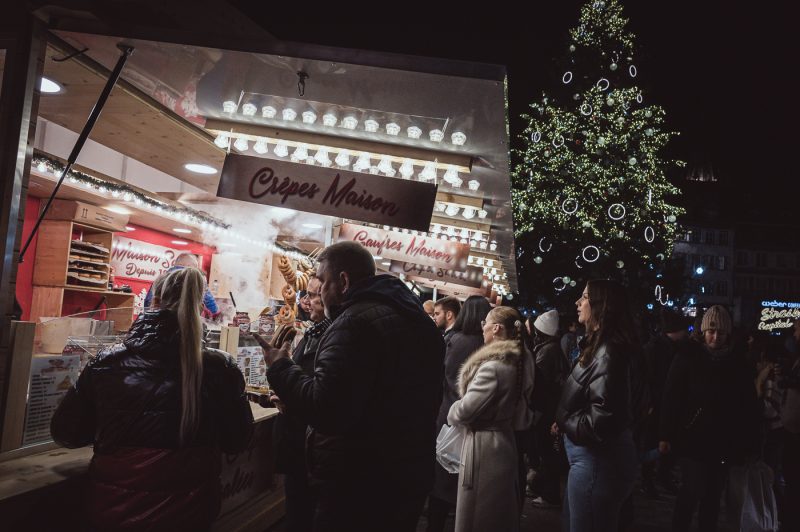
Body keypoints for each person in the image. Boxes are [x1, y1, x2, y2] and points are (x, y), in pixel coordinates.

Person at [50, 267, 254, 532]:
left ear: (154, 301)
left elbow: (65, 433)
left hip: (115, 512)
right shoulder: (222, 368)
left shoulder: (106, 362)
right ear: (199, 306)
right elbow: (238, 439)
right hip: (191, 514)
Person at [260, 241, 444, 532]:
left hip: (359, 481)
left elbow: (326, 409)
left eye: (322, 280)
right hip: (407, 473)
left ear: (343, 281)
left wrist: (280, 367)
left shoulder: (354, 322)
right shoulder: (417, 321)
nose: (318, 290)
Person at [659, 305, 760, 532]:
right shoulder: (688, 357)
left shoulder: (738, 363)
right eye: (711, 331)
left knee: (713, 497)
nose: (715, 337)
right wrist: (665, 434)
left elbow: (749, 406)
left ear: (728, 334)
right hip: (692, 438)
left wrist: (750, 443)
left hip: (723, 442)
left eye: (720, 332)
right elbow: (671, 397)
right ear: (703, 332)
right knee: (690, 491)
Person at [554, 280, 641, 532]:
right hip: (592, 462)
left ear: (602, 306)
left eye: (585, 297)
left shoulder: (609, 352)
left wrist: (565, 420)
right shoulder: (601, 347)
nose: (578, 303)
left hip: (597, 463)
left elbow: (601, 419)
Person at [447, 306, 535, 532]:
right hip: (504, 443)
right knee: (497, 515)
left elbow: (465, 410)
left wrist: (452, 410)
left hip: (484, 448)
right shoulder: (519, 362)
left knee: (478, 517)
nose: (482, 326)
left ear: (496, 328)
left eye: (485, 322)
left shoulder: (493, 368)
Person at [270, 275, 331, 532]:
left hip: (309, 449)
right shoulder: (315, 332)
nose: (308, 302)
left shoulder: (331, 336)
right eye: (307, 295)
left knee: (301, 516)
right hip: (301, 445)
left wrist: (280, 371)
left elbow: (321, 397)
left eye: (315, 295)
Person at [427, 295, 491, 532]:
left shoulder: (457, 340)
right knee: (461, 483)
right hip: (473, 421)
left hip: (448, 415)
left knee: (441, 479)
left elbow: (443, 379)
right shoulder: (486, 345)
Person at [640, 308, 689, 497]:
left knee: (666, 443)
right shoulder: (655, 349)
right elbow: (647, 378)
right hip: (657, 404)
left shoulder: (675, 348)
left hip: (669, 404)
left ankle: (661, 476)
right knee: (652, 443)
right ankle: (649, 479)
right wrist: (649, 403)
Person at [528, 309, 568, 507]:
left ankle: (548, 494)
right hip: (550, 408)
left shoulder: (547, 351)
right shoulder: (553, 348)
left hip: (546, 409)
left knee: (546, 451)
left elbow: (540, 383)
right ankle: (543, 488)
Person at [143, 253, 220, 318]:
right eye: (195, 268)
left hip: (157, 321)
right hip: (181, 325)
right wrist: (216, 314)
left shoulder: (160, 278)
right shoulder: (193, 279)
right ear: (189, 265)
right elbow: (211, 304)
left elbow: (147, 303)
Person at [778, 318, 800, 531]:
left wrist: (787, 381)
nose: (794, 334)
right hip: (792, 426)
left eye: (797, 329)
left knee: (793, 478)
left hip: (796, 430)